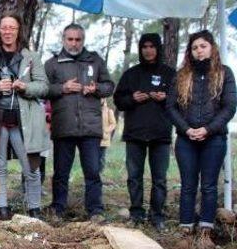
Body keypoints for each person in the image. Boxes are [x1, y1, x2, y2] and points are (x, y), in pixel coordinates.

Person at [0, 11, 50, 221]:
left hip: (23, 118)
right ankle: (2, 207)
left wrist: (25, 87)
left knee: (30, 165)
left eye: (12, 28)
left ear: (18, 31)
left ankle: (34, 208)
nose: (8, 31)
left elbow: (43, 87)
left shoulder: (31, 57)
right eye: (4, 27)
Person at [166, 30, 236, 247]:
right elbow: (171, 107)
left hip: (214, 139)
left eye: (203, 46)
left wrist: (208, 129)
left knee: (208, 185)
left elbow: (229, 106)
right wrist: (186, 129)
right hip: (186, 139)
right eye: (194, 48)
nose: (199, 51)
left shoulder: (224, 73)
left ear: (212, 48)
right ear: (190, 52)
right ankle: (185, 228)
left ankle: (206, 230)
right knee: (188, 184)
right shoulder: (181, 76)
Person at [45, 23, 115, 222]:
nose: (74, 43)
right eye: (70, 39)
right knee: (61, 172)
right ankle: (58, 209)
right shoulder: (52, 63)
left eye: (78, 39)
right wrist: (62, 88)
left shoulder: (95, 61)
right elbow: (43, 89)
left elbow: (109, 86)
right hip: (63, 126)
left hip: (90, 127)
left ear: (83, 40)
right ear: (63, 39)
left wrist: (96, 89)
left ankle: (95, 211)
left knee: (93, 171)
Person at [113, 33, 175, 230]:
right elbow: (118, 101)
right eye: (144, 47)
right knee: (134, 176)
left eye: (152, 46)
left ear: (158, 48)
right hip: (135, 134)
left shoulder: (169, 74)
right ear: (140, 49)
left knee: (159, 179)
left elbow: (180, 101)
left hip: (161, 134)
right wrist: (132, 98)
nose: (148, 50)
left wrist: (166, 97)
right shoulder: (131, 74)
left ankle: (157, 216)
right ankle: (137, 213)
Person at [99, 98, 117, 174]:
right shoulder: (92, 110)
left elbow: (113, 124)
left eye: (102, 98)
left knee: (101, 157)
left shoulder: (109, 111)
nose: (100, 100)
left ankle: (101, 172)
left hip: (103, 138)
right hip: (93, 137)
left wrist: (106, 131)